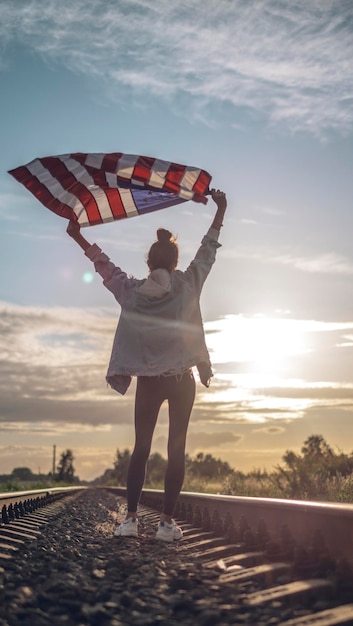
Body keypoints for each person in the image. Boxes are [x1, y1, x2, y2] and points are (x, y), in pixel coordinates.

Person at [67, 188, 227, 542]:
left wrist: (79, 235)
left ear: (149, 262)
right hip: (182, 381)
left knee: (140, 448)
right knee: (175, 450)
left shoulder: (132, 291)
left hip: (150, 383)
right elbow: (207, 253)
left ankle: (131, 520)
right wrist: (221, 211)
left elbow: (103, 266)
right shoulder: (187, 285)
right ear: (173, 262)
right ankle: (167, 524)